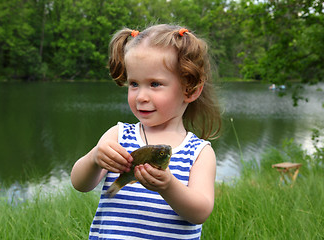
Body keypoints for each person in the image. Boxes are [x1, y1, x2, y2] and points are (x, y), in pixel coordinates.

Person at [71, 24, 221, 239]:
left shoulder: (199, 153)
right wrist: (94, 158)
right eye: (134, 84)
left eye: (155, 84)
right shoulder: (118, 135)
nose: (141, 96)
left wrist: (167, 186)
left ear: (190, 90)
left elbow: (200, 212)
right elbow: (80, 184)